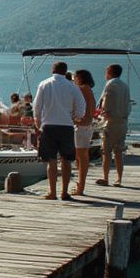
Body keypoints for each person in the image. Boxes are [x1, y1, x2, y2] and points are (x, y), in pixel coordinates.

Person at [33, 61, 86, 201]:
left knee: (51, 160)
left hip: (49, 125)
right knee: (66, 160)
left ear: (52, 70)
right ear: (65, 71)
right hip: (66, 126)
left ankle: (52, 192)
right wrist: (76, 117)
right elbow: (81, 106)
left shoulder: (44, 84)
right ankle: (64, 192)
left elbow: (37, 106)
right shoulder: (72, 87)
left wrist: (38, 123)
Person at [96, 63, 131, 187]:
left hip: (111, 122)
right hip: (123, 122)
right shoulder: (125, 86)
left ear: (110, 72)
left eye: (106, 72)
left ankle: (106, 178)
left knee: (106, 151)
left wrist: (102, 113)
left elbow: (106, 103)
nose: (105, 75)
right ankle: (119, 178)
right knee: (119, 151)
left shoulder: (110, 85)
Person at [72, 69, 97, 195]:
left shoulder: (81, 89)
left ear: (80, 78)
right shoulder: (89, 90)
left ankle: (80, 186)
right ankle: (80, 184)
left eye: (75, 77)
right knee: (83, 156)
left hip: (82, 125)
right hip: (88, 125)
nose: (74, 80)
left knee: (81, 157)